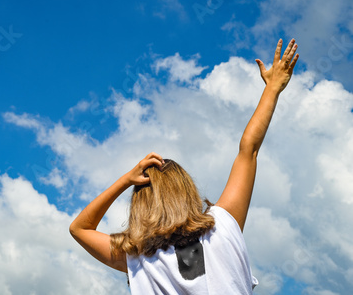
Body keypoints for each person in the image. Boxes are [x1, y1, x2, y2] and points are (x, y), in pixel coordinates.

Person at [69, 39, 299, 294]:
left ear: (141, 204)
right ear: (187, 189)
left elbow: (79, 228)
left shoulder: (137, 258)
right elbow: (249, 151)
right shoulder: (223, 224)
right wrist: (273, 88)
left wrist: (126, 180)